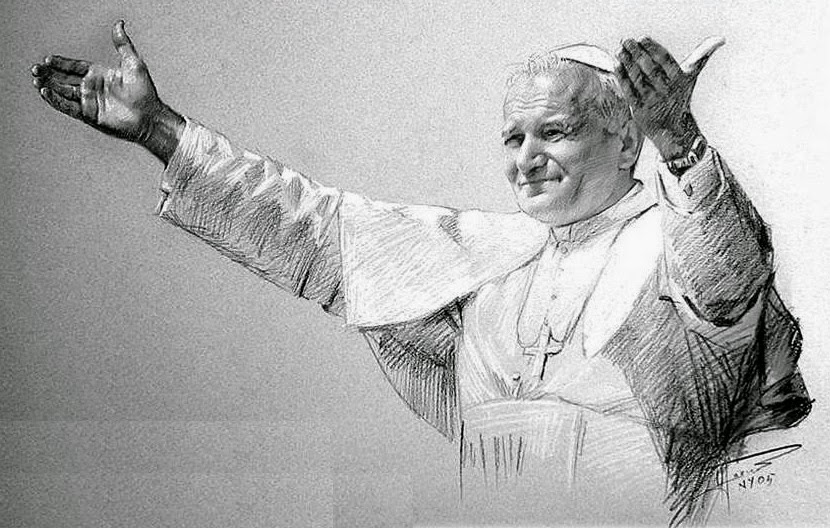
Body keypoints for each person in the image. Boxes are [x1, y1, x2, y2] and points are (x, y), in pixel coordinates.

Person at [31, 21, 811, 526]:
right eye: (513, 138)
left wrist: (681, 140)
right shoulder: (493, 260)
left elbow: (729, 281)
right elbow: (314, 228)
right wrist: (161, 131)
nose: (527, 159)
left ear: (626, 142)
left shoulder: (675, 239)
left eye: (555, 132)